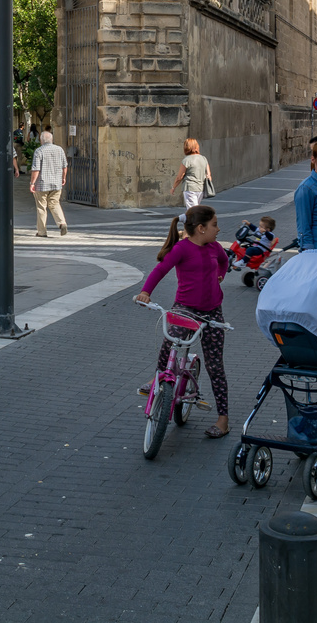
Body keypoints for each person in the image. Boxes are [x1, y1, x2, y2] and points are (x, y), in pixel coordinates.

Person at [134, 204, 232, 438]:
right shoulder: (181, 249)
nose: (218, 229)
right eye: (214, 225)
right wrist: (146, 292)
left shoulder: (215, 247)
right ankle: (158, 376)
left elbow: (224, 261)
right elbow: (161, 269)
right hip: (185, 309)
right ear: (200, 228)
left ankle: (223, 420)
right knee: (170, 343)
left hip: (212, 313)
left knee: (215, 366)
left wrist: (220, 276)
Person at [29, 130, 69, 237]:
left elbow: (36, 169)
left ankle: (42, 232)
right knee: (54, 203)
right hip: (56, 183)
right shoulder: (59, 150)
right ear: (51, 140)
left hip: (42, 184)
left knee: (41, 207)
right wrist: (63, 178)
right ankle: (62, 223)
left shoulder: (39, 151)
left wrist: (32, 183)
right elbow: (65, 166)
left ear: (41, 141)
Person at [170, 138, 211, 211]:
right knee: (194, 210)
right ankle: (187, 220)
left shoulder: (187, 160)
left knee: (193, 211)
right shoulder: (204, 159)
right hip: (200, 189)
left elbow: (180, 177)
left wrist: (173, 187)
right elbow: (209, 175)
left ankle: (190, 221)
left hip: (190, 188)